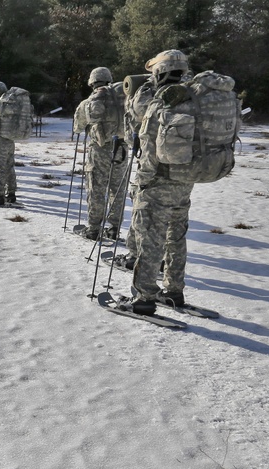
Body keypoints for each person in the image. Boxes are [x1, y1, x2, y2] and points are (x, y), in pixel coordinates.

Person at [126, 49, 196, 315]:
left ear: (158, 72)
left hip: (157, 183)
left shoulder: (158, 103)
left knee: (151, 240)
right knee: (176, 238)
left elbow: (146, 142)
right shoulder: (194, 100)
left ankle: (144, 298)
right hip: (184, 183)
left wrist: (141, 185)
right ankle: (174, 292)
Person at [80, 67, 127, 240]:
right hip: (122, 147)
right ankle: (114, 228)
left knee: (97, 188)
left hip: (100, 148)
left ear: (92, 82)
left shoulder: (95, 96)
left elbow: (85, 120)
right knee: (118, 189)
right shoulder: (123, 94)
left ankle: (93, 229)